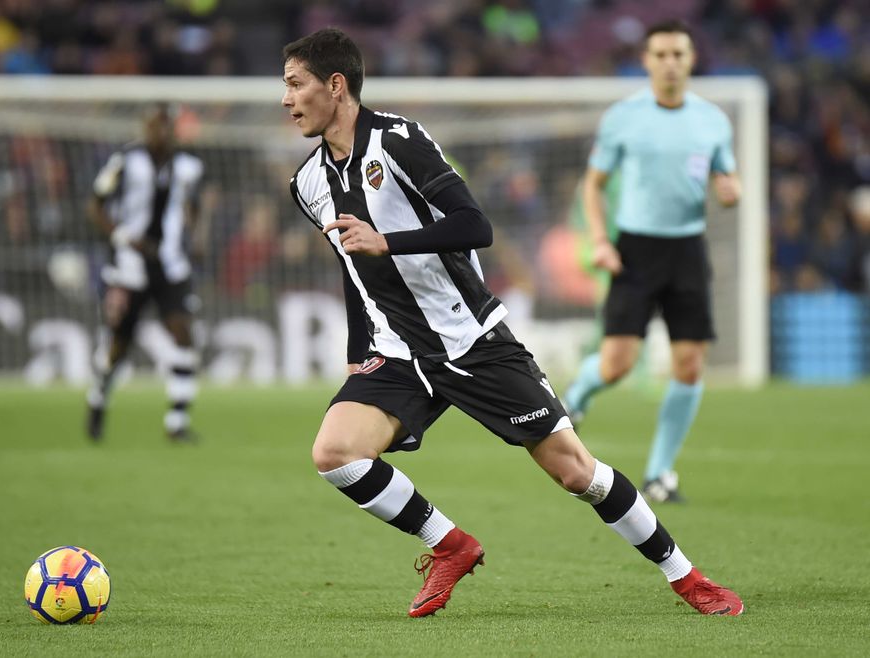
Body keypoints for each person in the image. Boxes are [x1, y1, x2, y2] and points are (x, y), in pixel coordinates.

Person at [283, 27, 743, 618]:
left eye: (297, 84)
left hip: (471, 339)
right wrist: (357, 343)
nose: (287, 98)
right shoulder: (308, 183)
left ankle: (688, 579)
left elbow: (475, 225)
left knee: (577, 472)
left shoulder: (399, 142)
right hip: (399, 351)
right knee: (336, 453)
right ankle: (449, 546)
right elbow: (353, 264)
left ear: (336, 85)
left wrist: (389, 240)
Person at [563, 20, 741, 503]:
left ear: (691, 59)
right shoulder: (625, 117)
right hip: (635, 249)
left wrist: (731, 190)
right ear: (646, 61)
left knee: (689, 364)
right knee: (618, 364)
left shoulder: (712, 120)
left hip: (687, 248)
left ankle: (660, 474)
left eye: (678, 54)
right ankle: (575, 398)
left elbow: (728, 178)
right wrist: (601, 239)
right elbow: (594, 185)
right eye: (660, 54)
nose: (669, 63)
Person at [85, 103, 204, 442]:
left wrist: (193, 234)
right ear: (145, 127)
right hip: (128, 267)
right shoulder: (124, 161)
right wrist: (122, 237)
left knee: (183, 333)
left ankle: (177, 422)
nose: (161, 132)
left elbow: (193, 207)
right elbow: (94, 204)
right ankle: (97, 399)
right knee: (119, 344)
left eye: (167, 126)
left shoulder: (190, 167)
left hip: (170, 265)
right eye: (155, 125)